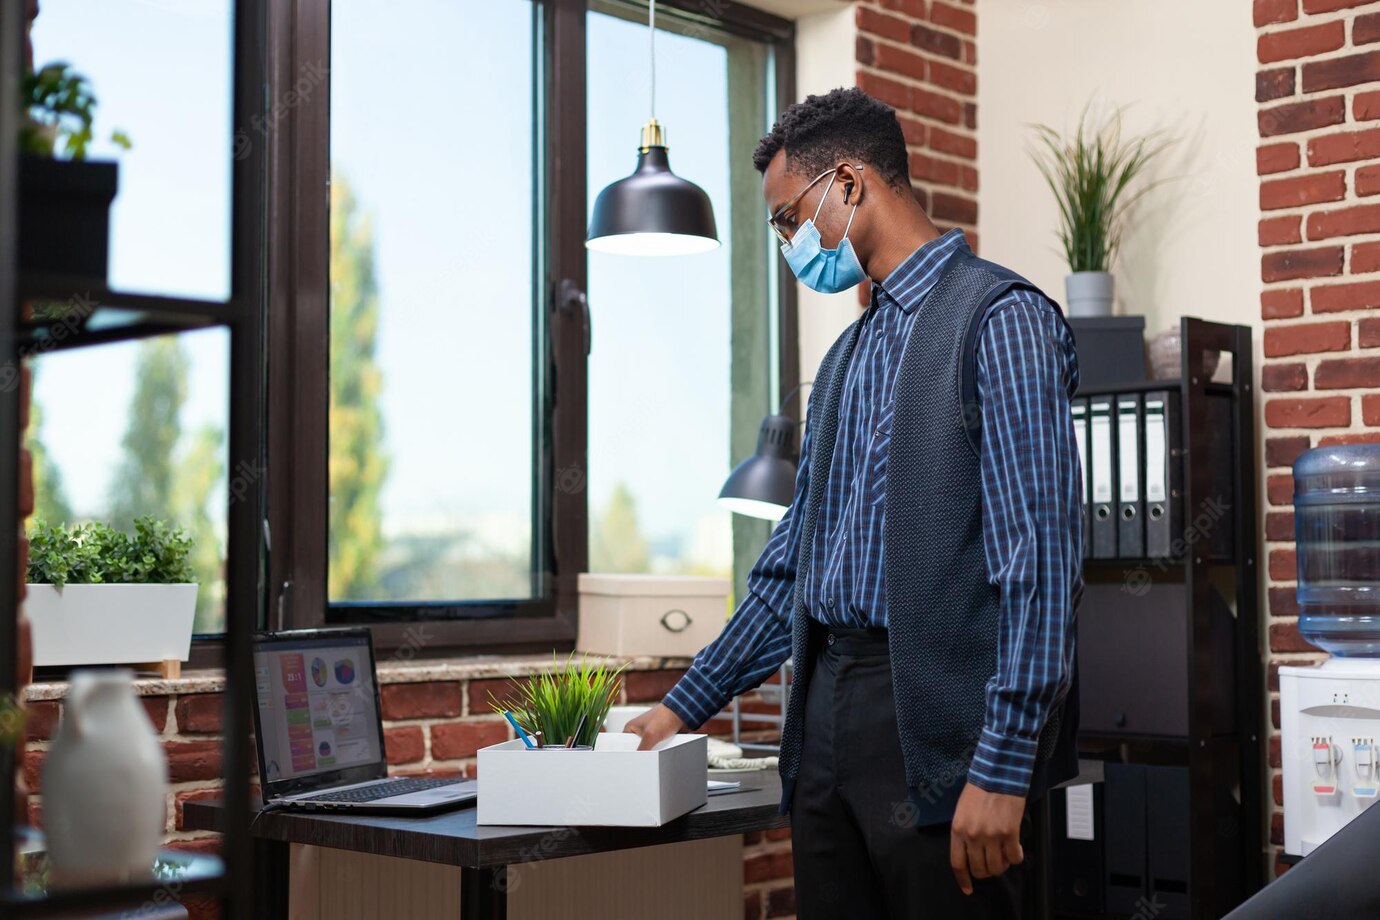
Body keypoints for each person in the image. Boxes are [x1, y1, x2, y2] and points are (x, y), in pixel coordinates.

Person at [626, 86, 1083, 919]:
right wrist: (681, 706)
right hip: (827, 710)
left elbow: (1041, 567)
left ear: (848, 183)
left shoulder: (1000, 319)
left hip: (939, 722)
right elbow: (791, 569)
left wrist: (1005, 763)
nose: (788, 244)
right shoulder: (844, 360)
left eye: (787, 219)